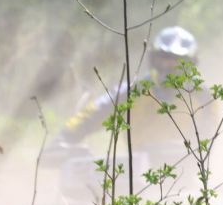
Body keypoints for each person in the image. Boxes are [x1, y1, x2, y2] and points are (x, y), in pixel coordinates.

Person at [48, 25, 207, 156]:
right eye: (165, 58)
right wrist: (65, 137)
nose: (170, 65)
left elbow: (213, 140)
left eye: (178, 61)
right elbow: (94, 113)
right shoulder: (132, 92)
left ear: (190, 64)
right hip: (135, 181)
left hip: (189, 184)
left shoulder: (204, 98)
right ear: (154, 59)